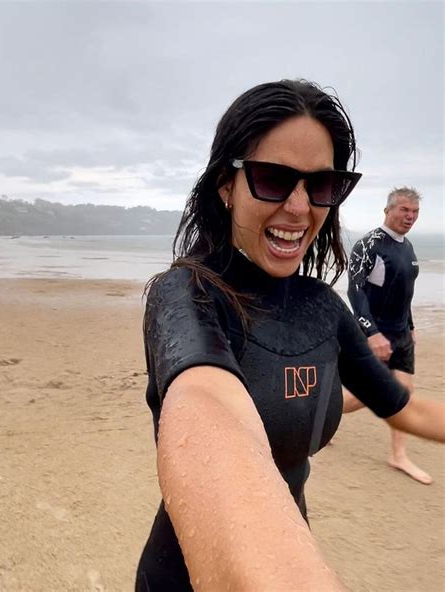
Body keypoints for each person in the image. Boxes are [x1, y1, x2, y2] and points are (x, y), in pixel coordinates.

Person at [136, 80, 444, 591]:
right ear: (225, 186)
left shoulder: (324, 308)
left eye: (320, 185)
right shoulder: (186, 295)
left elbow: (405, 407)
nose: (300, 208)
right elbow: (208, 414)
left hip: (293, 542)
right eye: (273, 179)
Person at [343, 188, 432, 485]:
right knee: (361, 397)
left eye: (415, 212)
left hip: (401, 334)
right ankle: (322, 414)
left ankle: (398, 455)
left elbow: (405, 293)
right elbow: (356, 291)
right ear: (387, 210)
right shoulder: (369, 245)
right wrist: (372, 333)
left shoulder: (407, 247)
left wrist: (411, 325)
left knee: (403, 394)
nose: (410, 217)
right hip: (376, 335)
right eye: (404, 210)